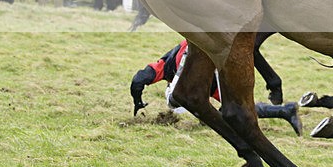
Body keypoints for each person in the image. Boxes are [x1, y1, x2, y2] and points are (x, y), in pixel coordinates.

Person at [130, 40, 303, 136]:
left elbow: (139, 81)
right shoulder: (165, 65)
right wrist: (137, 101)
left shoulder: (167, 69)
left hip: (210, 66)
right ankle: (284, 111)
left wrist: (138, 102)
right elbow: (138, 80)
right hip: (207, 57)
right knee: (235, 110)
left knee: (235, 112)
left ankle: (285, 111)